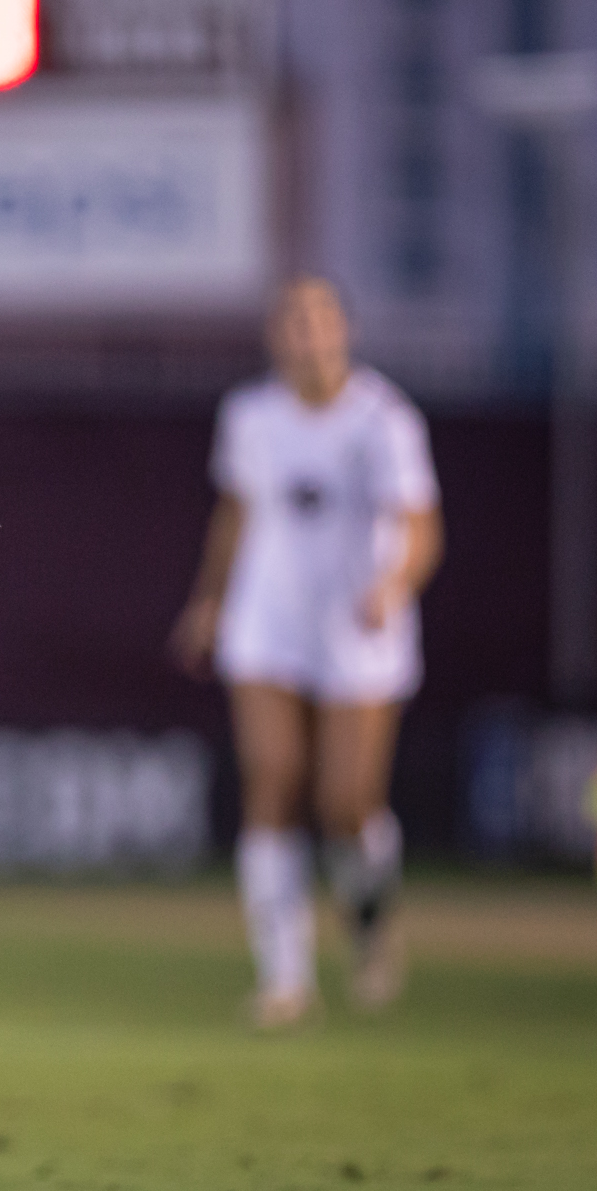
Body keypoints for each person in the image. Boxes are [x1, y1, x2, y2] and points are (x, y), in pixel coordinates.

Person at [171, 277, 442, 1026]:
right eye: (294, 321)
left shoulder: (383, 420)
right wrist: (211, 599)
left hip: (358, 622)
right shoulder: (251, 415)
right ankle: (285, 979)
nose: (307, 334)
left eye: (320, 320)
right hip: (269, 620)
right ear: (276, 336)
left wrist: (395, 583)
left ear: (344, 331)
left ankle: (369, 919)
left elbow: (422, 525)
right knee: (274, 779)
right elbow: (236, 511)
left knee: (346, 802)